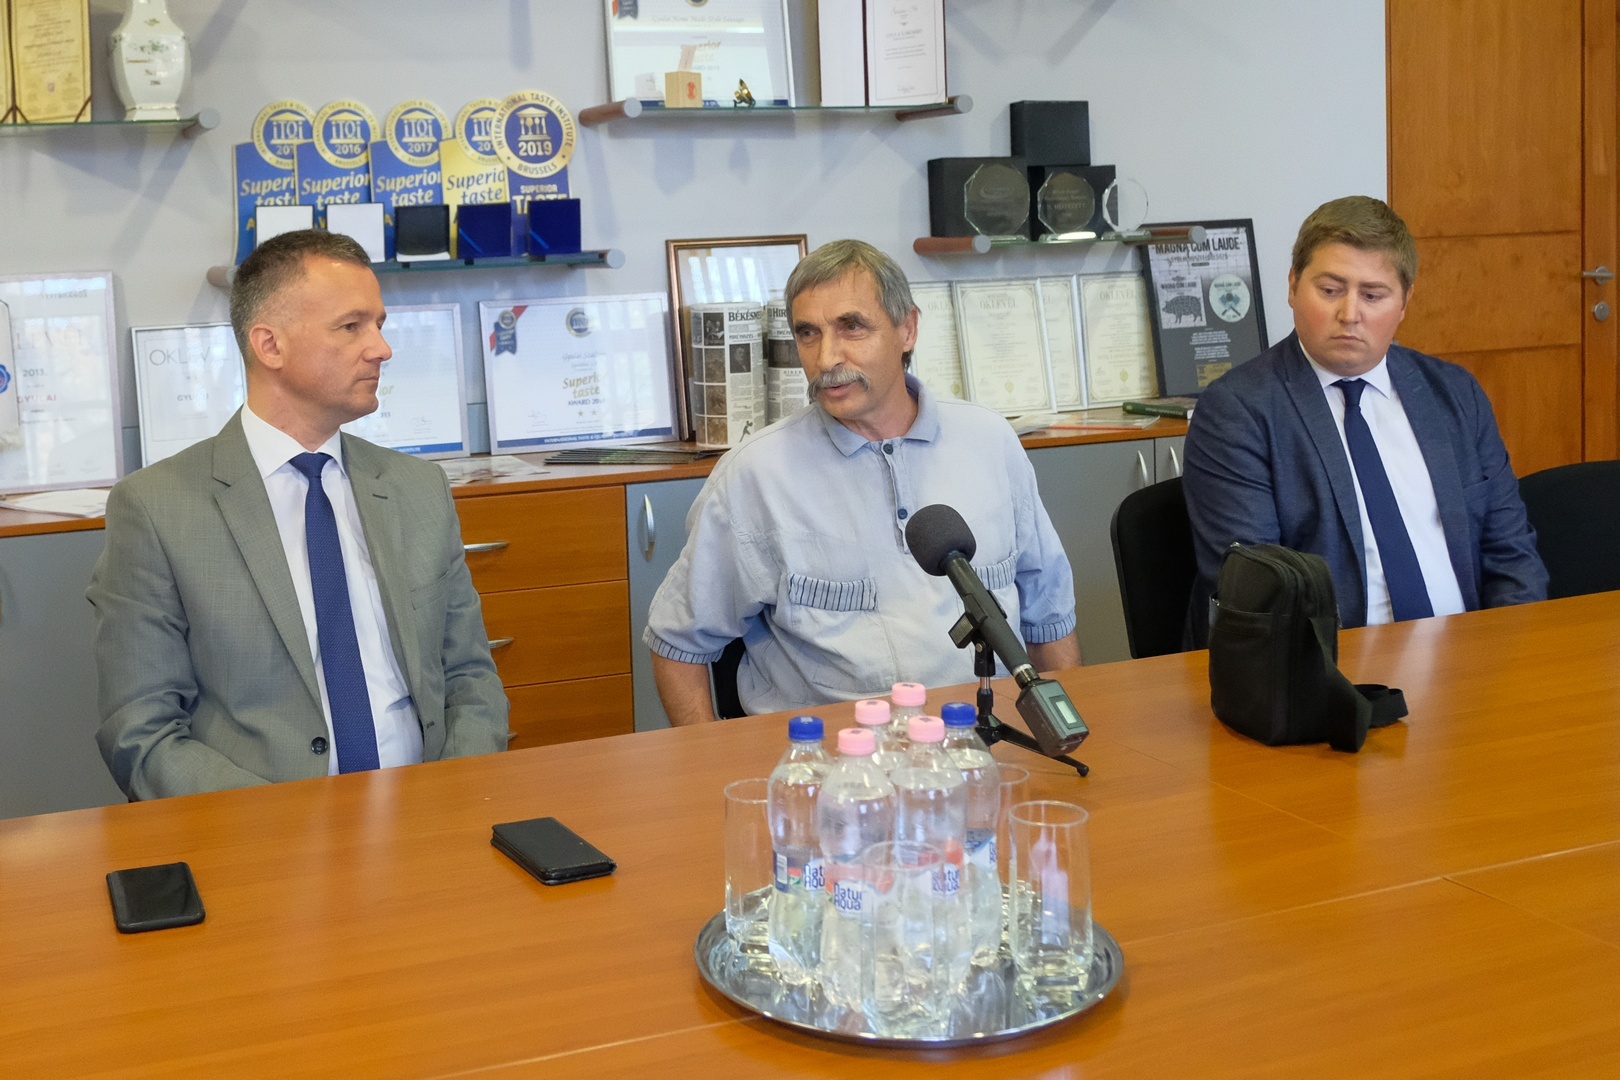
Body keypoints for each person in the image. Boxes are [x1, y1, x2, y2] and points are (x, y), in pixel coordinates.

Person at [88, 230, 509, 799]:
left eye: (379, 324)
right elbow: (142, 731)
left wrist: (453, 794)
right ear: (270, 346)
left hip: (429, 808)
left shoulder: (417, 487)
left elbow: (470, 677)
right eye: (351, 326)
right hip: (262, 826)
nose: (381, 348)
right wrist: (285, 826)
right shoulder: (158, 508)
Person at [644, 239, 1080, 725]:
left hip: (986, 741)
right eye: (808, 333)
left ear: (907, 329)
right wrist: (713, 763)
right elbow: (677, 643)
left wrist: (1058, 737)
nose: (826, 357)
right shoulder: (755, 475)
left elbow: (1049, 617)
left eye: (851, 327)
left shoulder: (990, 442)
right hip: (830, 756)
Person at [1182, 196, 1547, 645]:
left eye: (1373, 295)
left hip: (1471, 653)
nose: (1350, 314)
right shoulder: (1238, 410)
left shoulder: (1454, 393)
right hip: (1329, 665)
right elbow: (1259, 595)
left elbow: (1511, 553)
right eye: (1330, 290)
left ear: (1405, 301)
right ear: (1293, 285)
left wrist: (1511, 654)